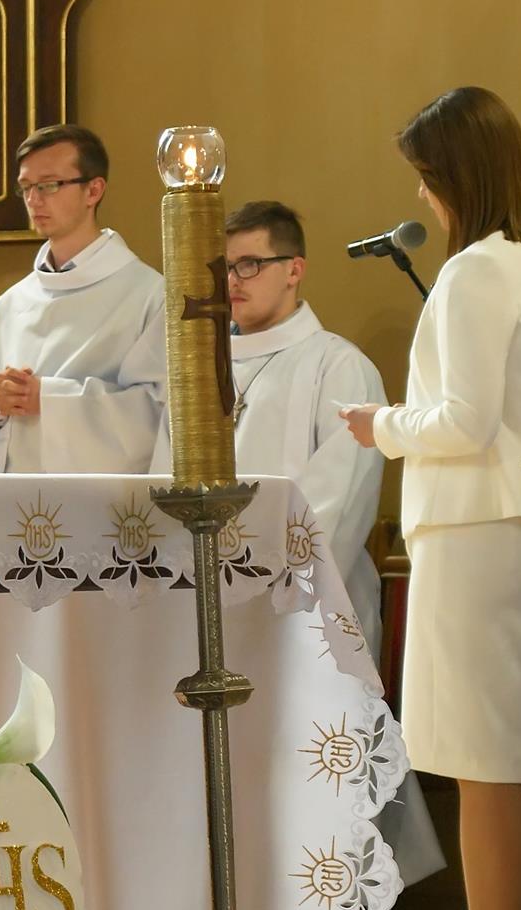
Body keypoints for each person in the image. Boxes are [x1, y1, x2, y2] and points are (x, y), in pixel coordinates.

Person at [343, 87, 521, 910]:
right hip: (517, 524)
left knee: (482, 768)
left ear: (454, 176)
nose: (421, 196)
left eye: (425, 177)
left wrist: (380, 425)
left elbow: (462, 422)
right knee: (518, 766)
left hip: (477, 530)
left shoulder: (476, 270)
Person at [150, 200, 388, 648]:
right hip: (198, 607)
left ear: (294, 270)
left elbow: (338, 507)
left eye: (250, 264)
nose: (232, 280)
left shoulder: (339, 367)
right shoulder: (197, 373)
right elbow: (163, 486)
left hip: (303, 614)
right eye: (225, 267)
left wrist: (259, 588)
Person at [0, 125, 165, 472]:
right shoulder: (13, 303)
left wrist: (47, 399)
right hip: (18, 500)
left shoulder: (148, 294)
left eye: (49, 185)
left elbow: (156, 415)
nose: (34, 200)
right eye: (26, 187)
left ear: (93, 190)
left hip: (103, 501)